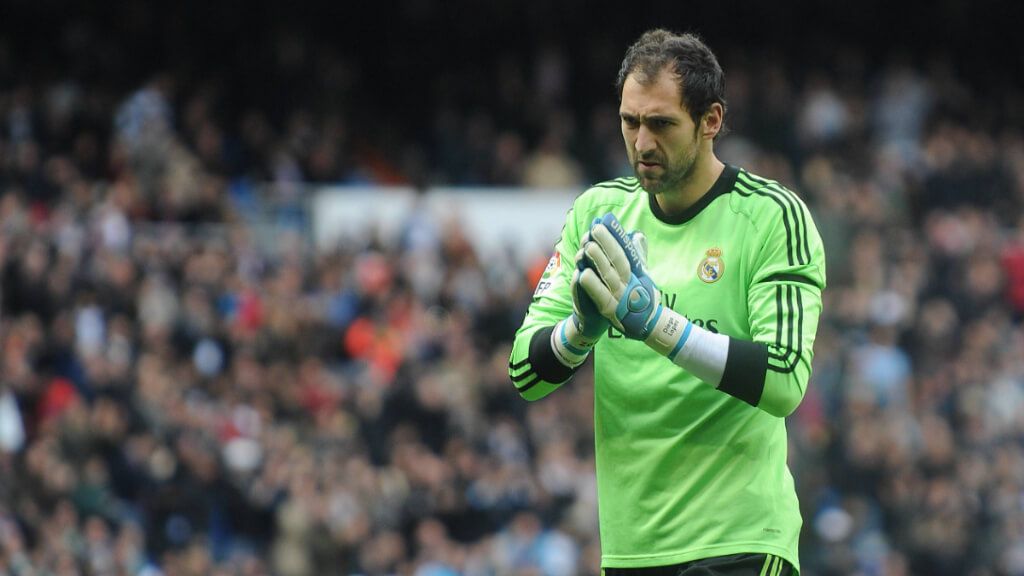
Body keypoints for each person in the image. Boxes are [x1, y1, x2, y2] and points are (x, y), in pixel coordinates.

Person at [509, 29, 826, 575]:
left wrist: (656, 324)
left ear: (711, 121)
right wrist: (579, 333)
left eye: (661, 124)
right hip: (631, 550)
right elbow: (524, 373)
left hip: (739, 542)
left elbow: (783, 380)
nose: (641, 143)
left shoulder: (772, 217)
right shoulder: (597, 214)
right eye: (630, 122)